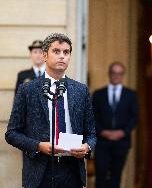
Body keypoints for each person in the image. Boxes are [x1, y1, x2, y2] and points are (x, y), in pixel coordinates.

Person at [5, 33, 96, 188]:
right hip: (39, 171)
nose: (62, 56)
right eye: (56, 51)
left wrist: (87, 146)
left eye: (66, 52)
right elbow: (12, 134)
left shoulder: (81, 90)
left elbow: (91, 133)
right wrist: (38, 146)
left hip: (72, 171)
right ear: (45, 55)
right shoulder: (27, 89)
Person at [92, 62, 139, 188]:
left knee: (116, 176)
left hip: (122, 142)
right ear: (109, 74)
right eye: (114, 73)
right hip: (102, 142)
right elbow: (92, 117)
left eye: (119, 73)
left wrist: (122, 132)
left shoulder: (130, 95)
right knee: (101, 175)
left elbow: (134, 117)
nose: (116, 76)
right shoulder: (98, 94)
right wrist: (103, 131)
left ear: (123, 75)